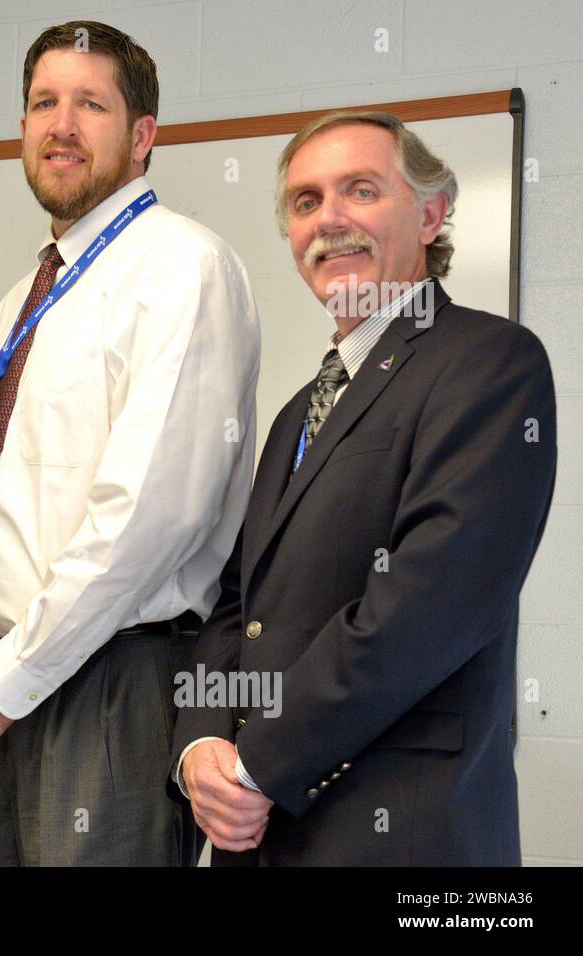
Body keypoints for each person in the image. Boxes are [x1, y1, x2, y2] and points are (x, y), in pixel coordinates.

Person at [171, 111, 557, 865]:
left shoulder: (489, 363)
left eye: (361, 190)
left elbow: (426, 605)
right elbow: (235, 606)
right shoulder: (295, 414)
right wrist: (203, 747)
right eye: (306, 201)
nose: (331, 219)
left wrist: (258, 764)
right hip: (258, 832)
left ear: (432, 213)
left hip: (401, 835)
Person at [0, 20, 261, 866]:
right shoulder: (15, 305)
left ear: (142, 136)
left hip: (110, 685)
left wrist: (6, 680)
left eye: (90, 105)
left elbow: (150, 516)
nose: (60, 124)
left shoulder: (184, 267)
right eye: (43, 103)